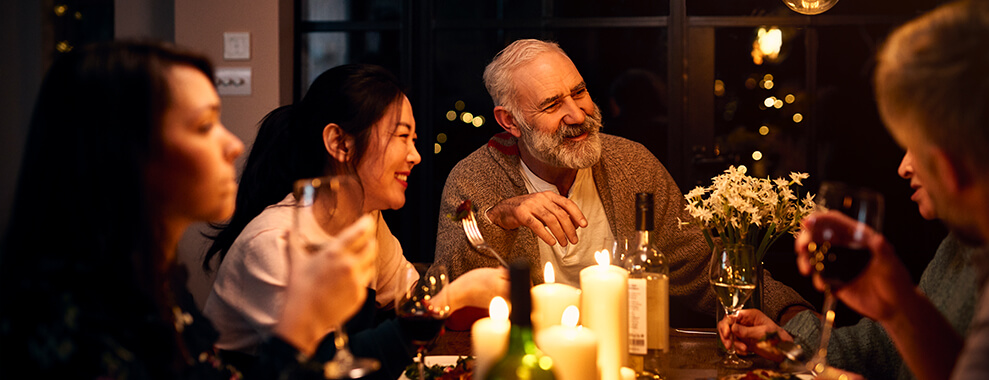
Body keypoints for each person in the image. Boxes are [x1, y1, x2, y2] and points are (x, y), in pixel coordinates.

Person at [0, 41, 377, 379]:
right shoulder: (73, 327)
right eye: (204, 125)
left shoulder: (158, 284)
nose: (232, 144)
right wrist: (301, 325)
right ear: (126, 154)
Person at [432, 38, 812, 325]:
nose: (577, 114)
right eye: (551, 105)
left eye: (579, 92)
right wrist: (498, 218)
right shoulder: (472, 180)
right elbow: (450, 295)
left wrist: (788, 313)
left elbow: (698, 265)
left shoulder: (632, 162)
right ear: (510, 122)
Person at [202, 63, 507, 379]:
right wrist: (455, 296)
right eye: (402, 136)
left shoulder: (365, 219)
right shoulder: (273, 240)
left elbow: (412, 300)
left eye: (414, 140)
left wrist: (481, 293)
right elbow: (325, 368)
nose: (415, 155)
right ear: (340, 143)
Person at [790, 1, 989, 379]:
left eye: (915, 148)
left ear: (948, 167)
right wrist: (899, 309)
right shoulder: (973, 249)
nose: (902, 167)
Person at [719, 149, 978, 379]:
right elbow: (884, 349)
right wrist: (784, 344)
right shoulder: (959, 244)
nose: (903, 167)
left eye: (917, 145)